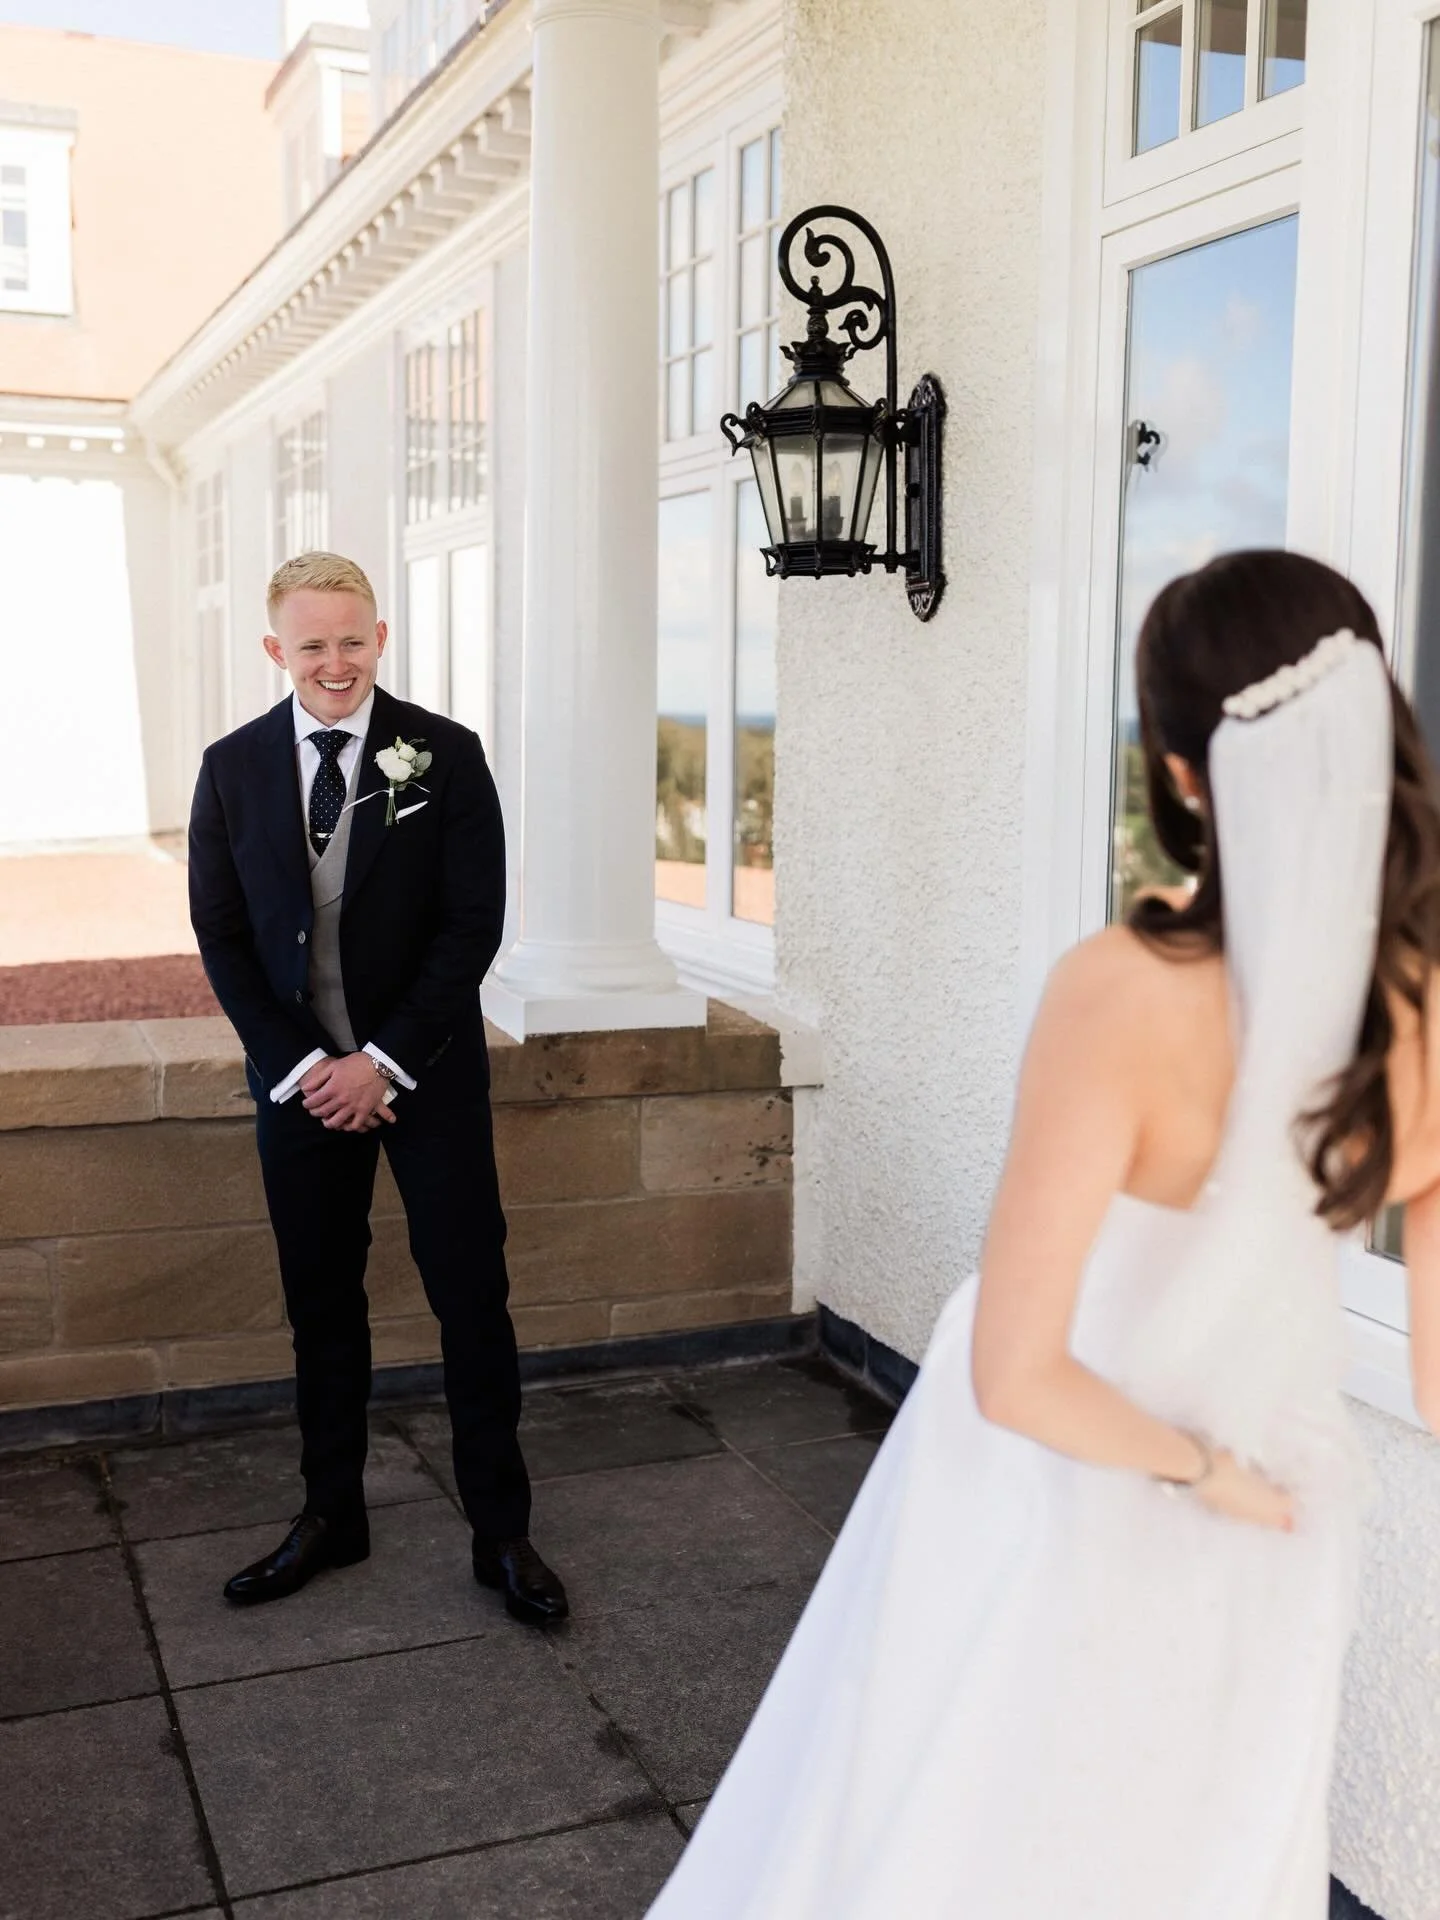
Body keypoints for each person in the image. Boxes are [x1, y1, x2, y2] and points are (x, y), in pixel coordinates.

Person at [645, 549, 1440, 1918]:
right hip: (1290, 1517)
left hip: (1061, 1492)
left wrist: (1201, 1469)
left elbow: (1021, 1376)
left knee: (964, 1834)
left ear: (1183, 775)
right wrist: (1257, 1486)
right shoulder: (1419, 1009)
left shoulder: (1118, 990)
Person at [188, 551, 567, 1625]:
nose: (335, 661)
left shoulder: (443, 755)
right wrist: (310, 1068)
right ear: (277, 651)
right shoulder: (231, 768)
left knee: (470, 1302)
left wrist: (385, 1060)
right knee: (321, 1307)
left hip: (425, 1079)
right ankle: (330, 1515)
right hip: (301, 1091)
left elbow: (470, 924)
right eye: (312, 644)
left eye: (353, 639)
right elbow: (221, 935)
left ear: (380, 638)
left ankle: (502, 1534)